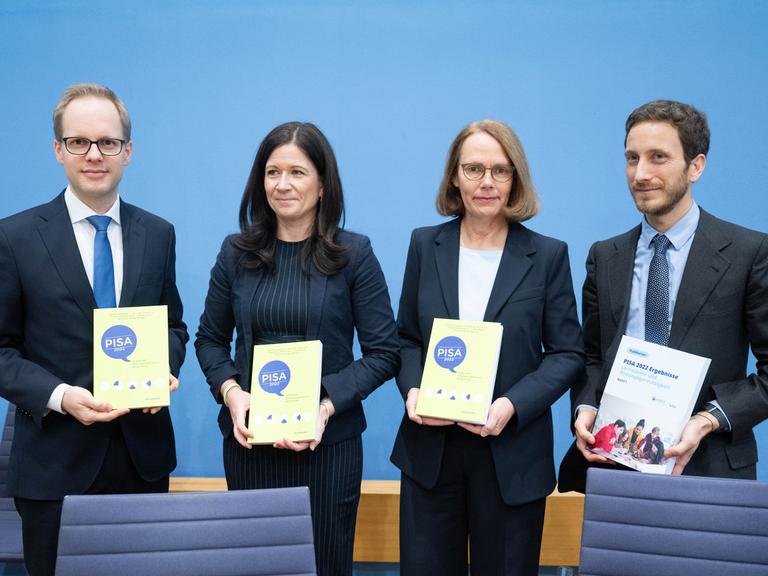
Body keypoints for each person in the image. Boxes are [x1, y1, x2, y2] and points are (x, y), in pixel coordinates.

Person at [195, 122, 399, 576]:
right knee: (256, 566)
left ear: (323, 184)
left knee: (325, 564)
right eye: (272, 172)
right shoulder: (235, 252)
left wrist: (323, 406)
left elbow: (384, 352)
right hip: (251, 446)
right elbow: (209, 339)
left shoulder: (354, 254)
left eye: (297, 172)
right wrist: (233, 393)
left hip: (327, 447)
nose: (282, 184)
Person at [0, 83, 188, 575]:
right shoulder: (14, 237)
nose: (94, 154)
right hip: (53, 466)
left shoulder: (158, 233)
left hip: (141, 461)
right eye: (79, 142)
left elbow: (174, 325)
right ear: (58, 150)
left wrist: (164, 367)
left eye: (108, 142)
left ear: (128, 151)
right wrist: (61, 395)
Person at [390, 119, 584, 576]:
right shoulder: (425, 244)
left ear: (516, 178)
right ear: (454, 176)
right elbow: (407, 339)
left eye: (500, 170)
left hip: (510, 452)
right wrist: (413, 391)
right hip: (431, 452)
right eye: (474, 168)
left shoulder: (548, 255)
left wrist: (512, 405)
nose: (486, 183)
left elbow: (567, 353)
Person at [559, 99, 768, 493]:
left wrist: (706, 420)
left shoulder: (748, 253)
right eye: (632, 157)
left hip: (708, 468)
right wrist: (585, 408)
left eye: (658, 157)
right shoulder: (605, 256)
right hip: (610, 464)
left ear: (696, 166)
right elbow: (590, 357)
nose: (641, 173)